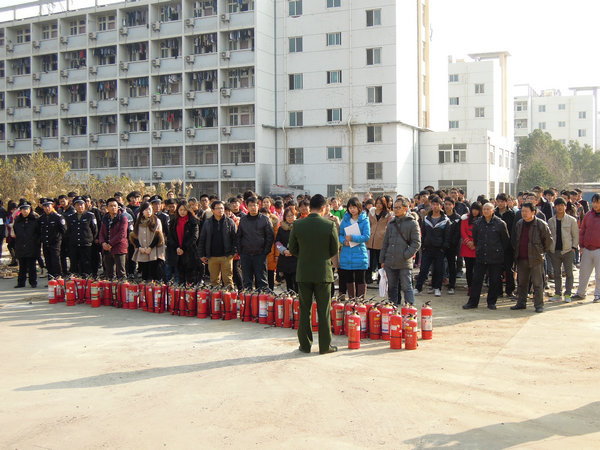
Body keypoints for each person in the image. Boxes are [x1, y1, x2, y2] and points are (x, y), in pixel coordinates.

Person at [288, 194, 340, 354]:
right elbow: (333, 250)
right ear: (324, 207)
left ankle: (305, 345)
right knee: (324, 310)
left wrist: (305, 257)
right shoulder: (329, 225)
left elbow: (293, 249)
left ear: (310, 207)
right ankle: (325, 346)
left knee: (304, 310)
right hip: (323, 273)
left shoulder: (298, 225)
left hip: (304, 272)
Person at [462, 203, 510, 310]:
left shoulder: (500, 223)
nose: (486, 211)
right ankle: (473, 302)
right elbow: (476, 238)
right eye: (484, 209)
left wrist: (498, 251)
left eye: (488, 209)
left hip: (495, 256)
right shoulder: (478, 223)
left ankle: (491, 302)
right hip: (481, 255)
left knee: (494, 280)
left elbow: (505, 241)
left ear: (493, 211)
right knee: (476, 280)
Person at [511, 202, 553, 313]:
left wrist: (541, 251)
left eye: (526, 211)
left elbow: (548, 241)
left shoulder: (541, 224)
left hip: (536, 258)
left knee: (538, 283)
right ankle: (521, 303)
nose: (524, 214)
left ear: (533, 212)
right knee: (522, 283)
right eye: (522, 211)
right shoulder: (520, 223)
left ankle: (539, 305)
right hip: (521, 258)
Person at [380, 197, 421, 305]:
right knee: (392, 286)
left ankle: (409, 307)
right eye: (395, 207)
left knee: (407, 286)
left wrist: (406, 255)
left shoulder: (412, 223)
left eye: (399, 208)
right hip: (390, 260)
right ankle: (392, 306)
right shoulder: (391, 223)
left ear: (406, 208)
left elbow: (416, 243)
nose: (396, 210)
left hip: (404, 261)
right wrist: (382, 259)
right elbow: (385, 242)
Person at [414, 197, 450, 297]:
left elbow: (447, 237)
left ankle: (437, 288)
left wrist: (443, 248)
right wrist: (423, 246)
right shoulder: (426, 219)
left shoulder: (446, 220)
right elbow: (423, 233)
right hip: (428, 249)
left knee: (439, 270)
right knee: (423, 269)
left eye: (437, 204)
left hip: (439, 249)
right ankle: (418, 288)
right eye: (433, 204)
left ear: (441, 206)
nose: (435, 206)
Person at [236, 197, 274, 290]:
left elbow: (270, 236)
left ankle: (262, 300)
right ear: (247, 207)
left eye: (255, 205)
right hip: (246, 254)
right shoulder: (243, 220)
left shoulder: (265, 219)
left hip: (260, 254)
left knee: (261, 280)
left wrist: (265, 251)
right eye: (251, 205)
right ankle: (248, 301)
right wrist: (240, 251)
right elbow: (239, 236)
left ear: (258, 206)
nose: (253, 207)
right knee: (247, 280)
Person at [198, 200, 237, 289]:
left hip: (226, 256)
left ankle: (229, 300)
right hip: (212, 256)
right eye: (218, 208)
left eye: (222, 208)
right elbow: (202, 239)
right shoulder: (207, 223)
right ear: (212, 210)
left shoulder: (230, 222)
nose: (220, 210)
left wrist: (233, 252)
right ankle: (215, 300)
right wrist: (201, 254)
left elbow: (235, 238)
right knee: (214, 281)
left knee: (228, 280)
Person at [547, 197, 579, 303]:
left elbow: (575, 235)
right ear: (555, 207)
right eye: (558, 205)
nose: (560, 207)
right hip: (554, 251)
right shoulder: (551, 221)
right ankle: (557, 293)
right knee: (557, 273)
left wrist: (574, 247)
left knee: (569, 273)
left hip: (568, 250)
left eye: (562, 205)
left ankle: (568, 294)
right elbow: (549, 236)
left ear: (565, 206)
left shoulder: (572, 220)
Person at [338, 197, 371, 299]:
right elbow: (340, 234)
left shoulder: (364, 220)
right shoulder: (345, 220)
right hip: (346, 252)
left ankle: (360, 300)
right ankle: (352, 299)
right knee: (349, 278)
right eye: (350, 207)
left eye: (354, 207)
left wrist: (353, 238)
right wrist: (344, 241)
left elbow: (366, 236)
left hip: (359, 253)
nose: (352, 209)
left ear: (359, 208)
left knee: (360, 279)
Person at [571, 193, 600, 302]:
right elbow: (582, 230)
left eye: (598, 202)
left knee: (599, 274)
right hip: (587, 249)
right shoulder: (588, 215)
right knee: (583, 272)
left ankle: (598, 294)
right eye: (594, 202)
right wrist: (581, 245)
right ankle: (581, 293)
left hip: (599, 249)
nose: (595, 204)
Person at [130, 202, 165, 281]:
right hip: (143, 250)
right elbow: (134, 236)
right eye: (146, 210)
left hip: (154, 250)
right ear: (142, 211)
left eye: (149, 209)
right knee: (144, 273)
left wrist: (150, 247)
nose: (148, 211)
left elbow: (158, 236)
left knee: (154, 273)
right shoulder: (139, 222)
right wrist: (139, 247)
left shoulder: (156, 221)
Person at [167, 200, 200, 284]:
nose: (182, 212)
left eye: (184, 210)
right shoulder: (173, 222)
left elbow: (194, 237)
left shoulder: (193, 222)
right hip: (177, 252)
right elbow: (170, 237)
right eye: (180, 210)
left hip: (189, 252)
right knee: (180, 277)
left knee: (191, 278)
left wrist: (184, 248)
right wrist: (177, 247)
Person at [66, 196, 97, 276]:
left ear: (84, 205)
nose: (80, 206)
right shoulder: (70, 217)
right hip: (75, 244)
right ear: (74, 206)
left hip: (86, 244)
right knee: (74, 264)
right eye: (77, 205)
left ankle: (87, 279)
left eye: (81, 204)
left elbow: (94, 230)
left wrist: (90, 240)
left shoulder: (90, 215)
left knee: (86, 263)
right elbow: (68, 231)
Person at [99, 198, 129, 279]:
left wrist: (110, 244)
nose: (113, 208)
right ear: (107, 207)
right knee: (109, 273)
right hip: (106, 248)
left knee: (121, 272)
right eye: (111, 206)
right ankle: (111, 290)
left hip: (119, 247)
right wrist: (103, 243)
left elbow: (122, 234)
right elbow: (101, 232)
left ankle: (122, 289)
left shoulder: (123, 218)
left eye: (115, 206)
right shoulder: (105, 218)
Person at [13, 201, 40, 288]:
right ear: (20, 210)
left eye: (27, 209)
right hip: (21, 245)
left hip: (32, 245)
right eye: (23, 209)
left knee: (32, 266)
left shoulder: (34, 219)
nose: (25, 211)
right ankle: (21, 282)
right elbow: (16, 232)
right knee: (22, 266)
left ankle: (33, 282)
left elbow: (38, 232)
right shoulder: (18, 220)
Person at [366, 196, 392, 284]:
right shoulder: (371, 212)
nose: (378, 205)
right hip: (371, 238)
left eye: (380, 203)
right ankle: (368, 277)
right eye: (377, 203)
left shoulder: (388, 214)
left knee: (380, 260)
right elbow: (368, 224)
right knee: (369, 260)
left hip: (381, 239)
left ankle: (381, 279)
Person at [38, 198, 66, 280]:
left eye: (48, 206)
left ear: (52, 206)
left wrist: (59, 240)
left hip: (55, 243)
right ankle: (50, 279)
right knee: (48, 261)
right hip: (46, 243)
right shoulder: (41, 218)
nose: (47, 208)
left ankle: (57, 278)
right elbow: (39, 230)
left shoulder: (58, 217)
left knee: (55, 261)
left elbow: (64, 230)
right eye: (45, 206)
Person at [495, 193, 516, 298]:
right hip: (496, 246)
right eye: (498, 201)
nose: (500, 203)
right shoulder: (493, 214)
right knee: (497, 269)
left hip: (508, 246)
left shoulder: (512, 215)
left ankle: (510, 290)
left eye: (502, 201)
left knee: (509, 269)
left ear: (507, 202)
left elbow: (514, 231)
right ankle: (498, 291)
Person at [460, 202, 482, 295]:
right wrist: (468, 242)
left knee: (477, 270)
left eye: (477, 209)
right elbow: (463, 231)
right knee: (469, 269)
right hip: (467, 247)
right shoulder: (465, 219)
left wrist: (475, 243)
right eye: (473, 209)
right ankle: (470, 287)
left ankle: (476, 287)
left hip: (477, 248)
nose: (475, 211)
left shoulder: (482, 220)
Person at [275, 207, 298, 293]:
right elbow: (277, 242)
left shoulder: (299, 227)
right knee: (288, 283)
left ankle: (297, 301)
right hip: (285, 258)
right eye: (288, 216)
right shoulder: (281, 228)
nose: (290, 217)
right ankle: (290, 301)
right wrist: (284, 251)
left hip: (296, 258)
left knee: (297, 282)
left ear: (295, 215)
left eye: (292, 215)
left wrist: (293, 251)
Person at [443, 197, 461, 295]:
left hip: (452, 246)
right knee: (439, 265)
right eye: (446, 204)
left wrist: (452, 243)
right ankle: (437, 284)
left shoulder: (457, 218)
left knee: (451, 265)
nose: (447, 206)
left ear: (453, 205)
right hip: (441, 245)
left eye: (450, 204)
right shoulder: (441, 216)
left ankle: (452, 285)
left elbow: (458, 233)